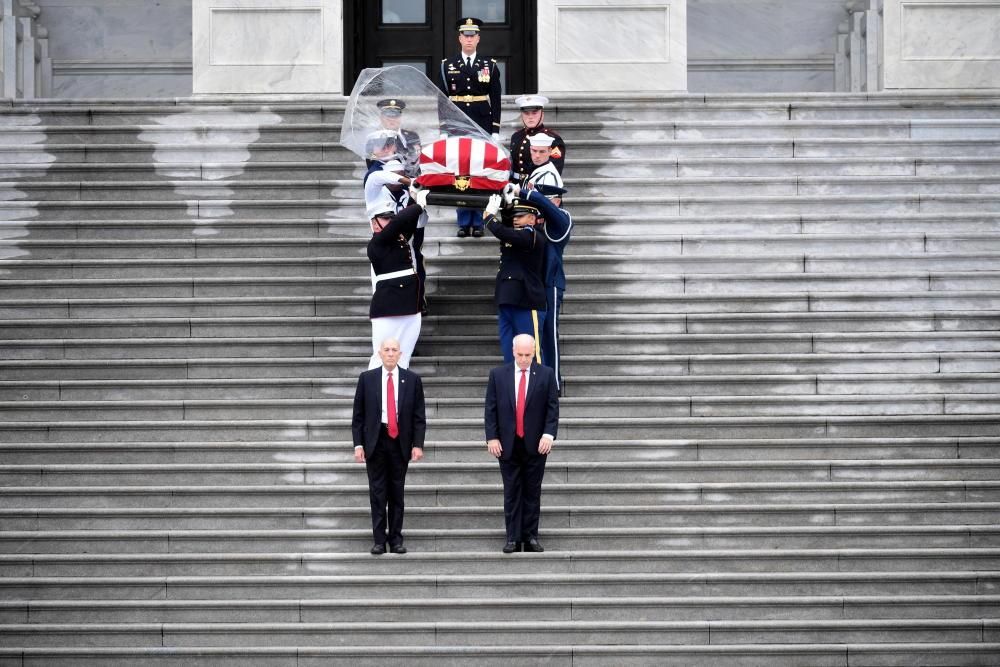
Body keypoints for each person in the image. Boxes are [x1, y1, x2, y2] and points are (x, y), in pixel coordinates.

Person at [484, 333, 560, 553]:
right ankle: (512, 537)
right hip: (507, 444)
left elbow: (552, 409)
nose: (524, 359)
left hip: (536, 444)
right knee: (511, 491)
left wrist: (549, 434)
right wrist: (492, 437)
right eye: (520, 354)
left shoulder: (545, 374)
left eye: (528, 354)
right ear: (513, 351)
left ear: (534, 351)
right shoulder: (498, 375)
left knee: (532, 491)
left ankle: (531, 536)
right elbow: (491, 409)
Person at [352, 337, 426, 555]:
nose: (391, 353)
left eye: (395, 350)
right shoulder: (367, 379)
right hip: (376, 441)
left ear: (400, 354)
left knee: (396, 493)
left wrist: (418, 444)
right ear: (380, 353)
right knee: (377, 492)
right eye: (387, 350)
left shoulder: (412, 380)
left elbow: (418, 416)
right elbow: (358, 416)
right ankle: (378, 539)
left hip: (400, 442)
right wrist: (358, 445)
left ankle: (395, 539)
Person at [438, 17, 502, 238]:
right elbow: (443, 100)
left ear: (478, 39)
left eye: (472, 35)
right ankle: (464, 221)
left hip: (482, 122)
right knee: (461, 171)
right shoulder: (448, 65)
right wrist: (444, 128)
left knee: (479, 170)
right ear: (459, 38)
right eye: (465, 35)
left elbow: (495, 98)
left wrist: (495, 129)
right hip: (457, 123)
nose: (468, 39)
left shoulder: (489, 65)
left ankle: (479, 221)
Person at [515, 182, 572, 393]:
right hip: (534, 284)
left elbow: (549, 210)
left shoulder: (562, 219)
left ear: (556, 201)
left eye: (546, 201)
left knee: (549, 334)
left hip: (551, 284)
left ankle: (554, 384)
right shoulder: (537, 221)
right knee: (535, 334)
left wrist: (527, 192)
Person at [365, 189, 428, 370]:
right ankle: (373, 396)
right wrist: (418, 205)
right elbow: (401, 220)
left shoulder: (397, 239)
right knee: (380, 357)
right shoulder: (377, 243)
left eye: (390, 218)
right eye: (385, 219)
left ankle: (399, 396)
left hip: (409, 305)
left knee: (403, 356)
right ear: (374, 224)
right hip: (388, 307)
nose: (390, 221)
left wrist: (414, 199)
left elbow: (406, 221)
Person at [483, 193, 547, 364]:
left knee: (531, 354)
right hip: (507, 299)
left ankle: (536, 389)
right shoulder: (516, 235)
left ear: (532, 219)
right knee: (510, 355)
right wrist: (506, 206)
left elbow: (507, 234)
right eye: (514, 217)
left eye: (520, 216)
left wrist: (489, 217)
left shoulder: (533, 236)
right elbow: (507, 230)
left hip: (527, 301)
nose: (515, 219)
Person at [509, 94, 565, 183]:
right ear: (521, 115)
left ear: (542, 115)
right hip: (516, 186)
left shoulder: (552, 138)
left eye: (534, 113)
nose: (530, 117)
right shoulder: (516, 136)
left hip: (539, 187)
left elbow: (554, 170)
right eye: (526, 113)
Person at [376, 98, 422, 179]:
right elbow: (373, 162)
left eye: (395, 116)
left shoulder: (412, 136)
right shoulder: (376, 137)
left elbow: (418, 157)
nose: (392, 119)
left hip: (413, 178)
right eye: (388, 116)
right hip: (387, 179)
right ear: (381, 118)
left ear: (400, 117)